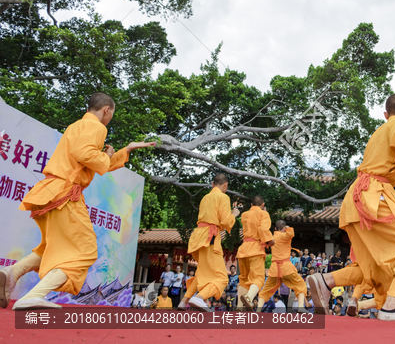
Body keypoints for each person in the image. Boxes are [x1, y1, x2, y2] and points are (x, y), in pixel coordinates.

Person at [0, 92, 156, 310]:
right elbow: (86, 154)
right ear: (106, 110)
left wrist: (124, 150)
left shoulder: (76, 126)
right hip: (65, 194)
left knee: (52, 247)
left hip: (50, 190)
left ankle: (12, 272)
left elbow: (88, 160)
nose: (110, 118)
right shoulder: (97, 127)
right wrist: (106, 156)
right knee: (86, 250)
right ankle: (32, 296)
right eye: (111, 114)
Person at [307, 93, 395, 321]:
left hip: (360, 196)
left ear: (385, 113)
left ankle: (325, 281)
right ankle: (392, 307)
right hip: (373, 194)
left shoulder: (380, 131)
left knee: (373, 267)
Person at [183, 174, 240, 311]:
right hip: (210, 238)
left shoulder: (205, 197)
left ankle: (183, 301)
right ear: (225, 185)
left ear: (212, 184)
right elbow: (225, 221)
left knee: (202, 273)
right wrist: (235, 214)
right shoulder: (223, 197)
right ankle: (199, 297)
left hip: (199, 237)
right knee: (222, 278)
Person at [257, 220, 308, 313]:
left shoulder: (272, 237)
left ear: (275, 228)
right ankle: (300, 306)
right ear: (284, 228)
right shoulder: (285, 236)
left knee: (265, 290)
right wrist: (287, 227)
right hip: (286, 268)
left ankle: (258, 310)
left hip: (274, 269)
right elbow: (291, 233)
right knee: (301, 285)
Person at [236, 195, 274, 310]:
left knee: (243, 279)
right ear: (263, 205)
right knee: (258, 279)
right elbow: (263, 229)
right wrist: (269, 241)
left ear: (251, 205)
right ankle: (248, 297)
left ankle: (239, 306)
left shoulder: (244, 214)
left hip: (243, 249)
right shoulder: (263, 214)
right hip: (255, 249)